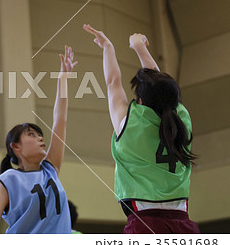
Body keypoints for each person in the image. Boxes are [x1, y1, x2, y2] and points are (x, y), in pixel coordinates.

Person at [83, 24, 200, 234]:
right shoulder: (182, 118)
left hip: (145, 222)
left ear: (141, 100)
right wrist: (139, 47)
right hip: (183, 221)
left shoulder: (130, 122)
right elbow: (161, 88)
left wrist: (108, 48)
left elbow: (112, 83)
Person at [0, 45, 77, 234]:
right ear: (16, 146)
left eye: (39, 134)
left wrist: (63, 78)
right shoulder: (8, 179)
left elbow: (60, 119)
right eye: (31, 135)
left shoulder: (51, 169)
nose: (40, 138)